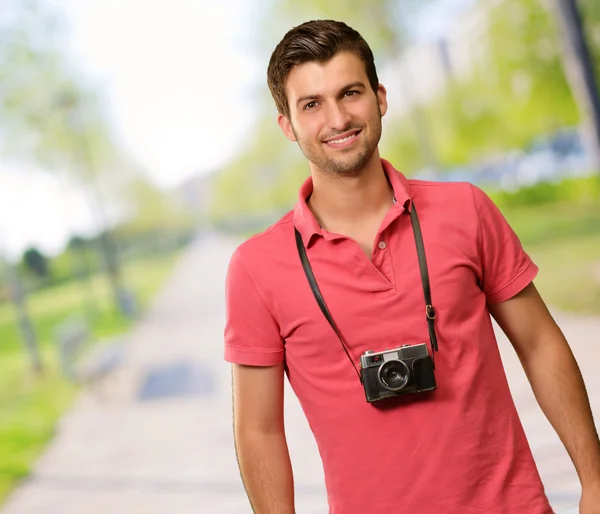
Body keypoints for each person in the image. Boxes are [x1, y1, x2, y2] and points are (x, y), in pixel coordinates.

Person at [223, 19, 600, 514]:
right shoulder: (256, 268)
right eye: (311, 104)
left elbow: (540, 344)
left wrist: (593, 480)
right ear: (287, 125)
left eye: (350, 92)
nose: (337, 119)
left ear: (380, 97)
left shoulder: (466, 209)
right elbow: (259, 430)